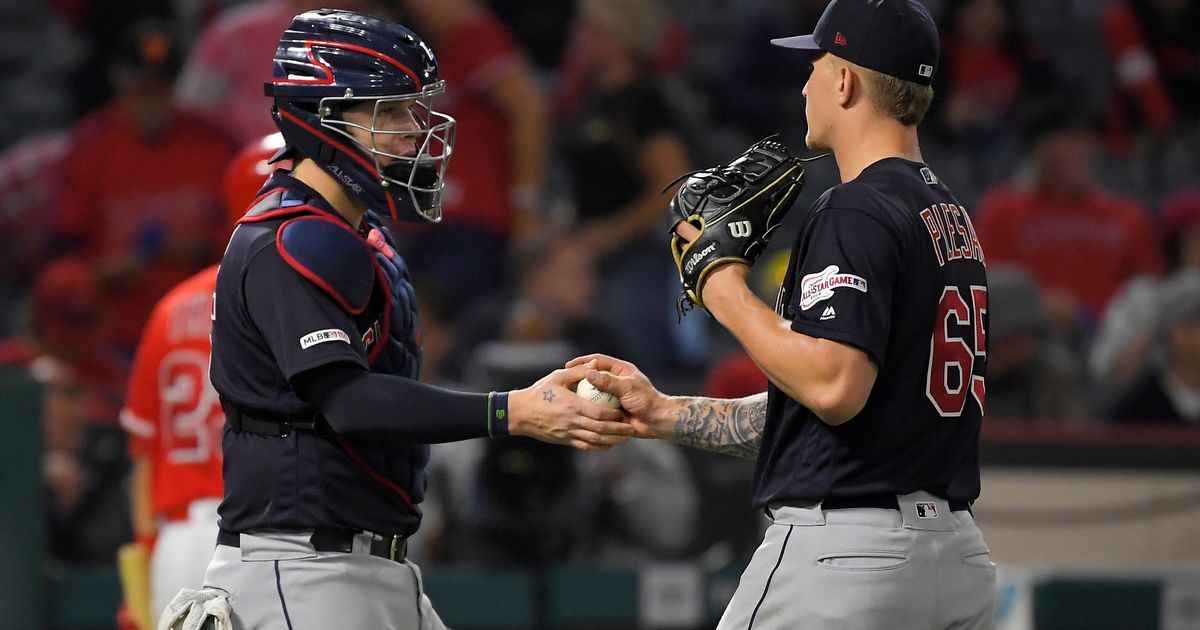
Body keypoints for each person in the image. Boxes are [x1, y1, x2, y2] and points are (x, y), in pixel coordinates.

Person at [191, 10, 631, 629]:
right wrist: (512, 412)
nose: (412, 130)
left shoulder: (355, 232)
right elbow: (350, 402)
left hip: (370, 563)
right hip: (302, 568)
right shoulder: (290, 240)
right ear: (325, 116)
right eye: (389, 111)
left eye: (411, 110)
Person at [572, 1, 996, 627]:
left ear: (846, 81)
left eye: (817, 65)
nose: (805, 84)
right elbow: (840, 410)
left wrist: (722, 289)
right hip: (954, 558)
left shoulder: (856, 209)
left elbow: (832, 386)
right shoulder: (949, 215)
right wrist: (665, 413)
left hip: (849, 555)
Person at [115, 135, 286, 630]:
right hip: (262, 533)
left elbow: (145, 454)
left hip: (179, 539)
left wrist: (147, 556)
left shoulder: (171, 307)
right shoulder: (296, 300)